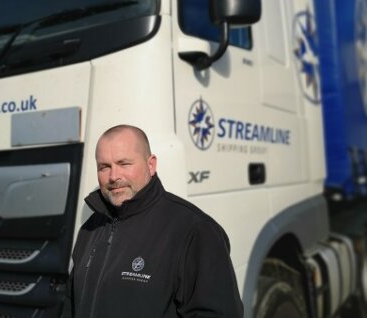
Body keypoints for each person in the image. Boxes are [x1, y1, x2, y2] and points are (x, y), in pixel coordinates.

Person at [62, 124, 243, 318]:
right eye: (104, 167)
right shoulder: (91, 228)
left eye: (124, 164)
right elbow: (71, 305)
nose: (114, 176)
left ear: (151, 165)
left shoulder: (194, 230)